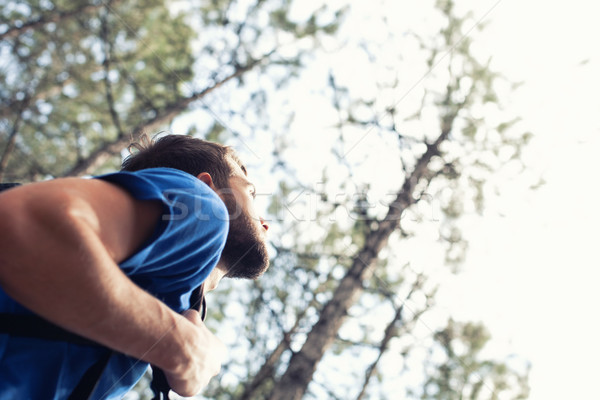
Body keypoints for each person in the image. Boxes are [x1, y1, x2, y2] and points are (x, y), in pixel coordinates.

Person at [0, 134, 270, 399]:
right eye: (251, 193)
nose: (265, 221)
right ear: (211, 188)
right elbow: (21, 225)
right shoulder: (203, 205)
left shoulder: (170, 299)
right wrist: (181, 347)